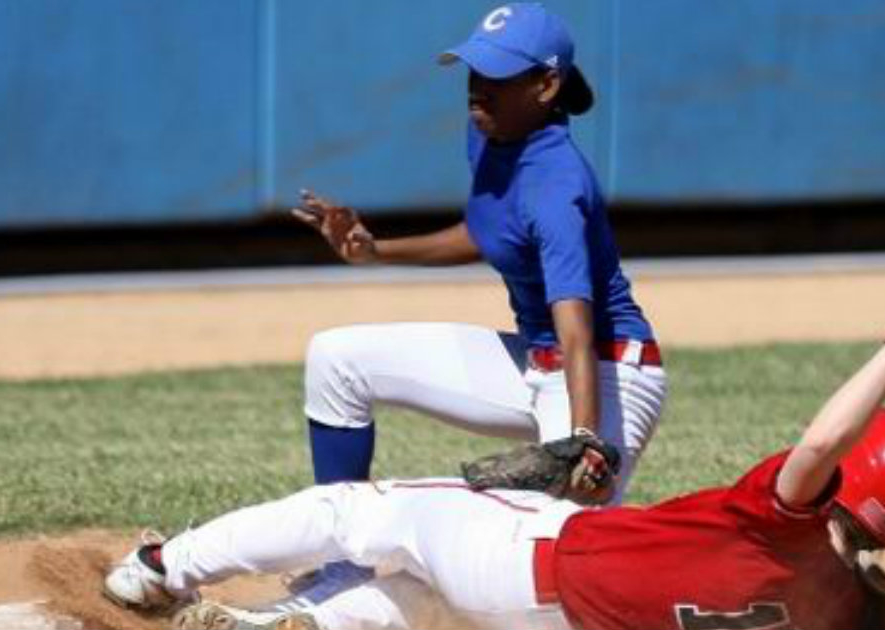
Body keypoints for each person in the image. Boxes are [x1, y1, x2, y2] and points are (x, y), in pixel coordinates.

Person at [104, 289, 885, 630]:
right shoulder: (854, 613)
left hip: (534, 549)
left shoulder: (778, 524)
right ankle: (283, 627)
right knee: (417, 597)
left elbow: (824, 440)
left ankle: (159, 569)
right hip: (549, 619)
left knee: (358, 514)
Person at [283, 3, 666, 602]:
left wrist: (586, 440)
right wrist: (374, 250)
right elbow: (486, 232)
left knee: (543, 560)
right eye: (473, 71)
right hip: (535, 363)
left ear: (546, 85)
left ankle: (673, 585)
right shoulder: (491, 135)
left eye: (497, 76)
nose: (477, 89)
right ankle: (343, 566)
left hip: (609, 371)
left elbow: (577, 333)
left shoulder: (556, 185)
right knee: (337, 357)